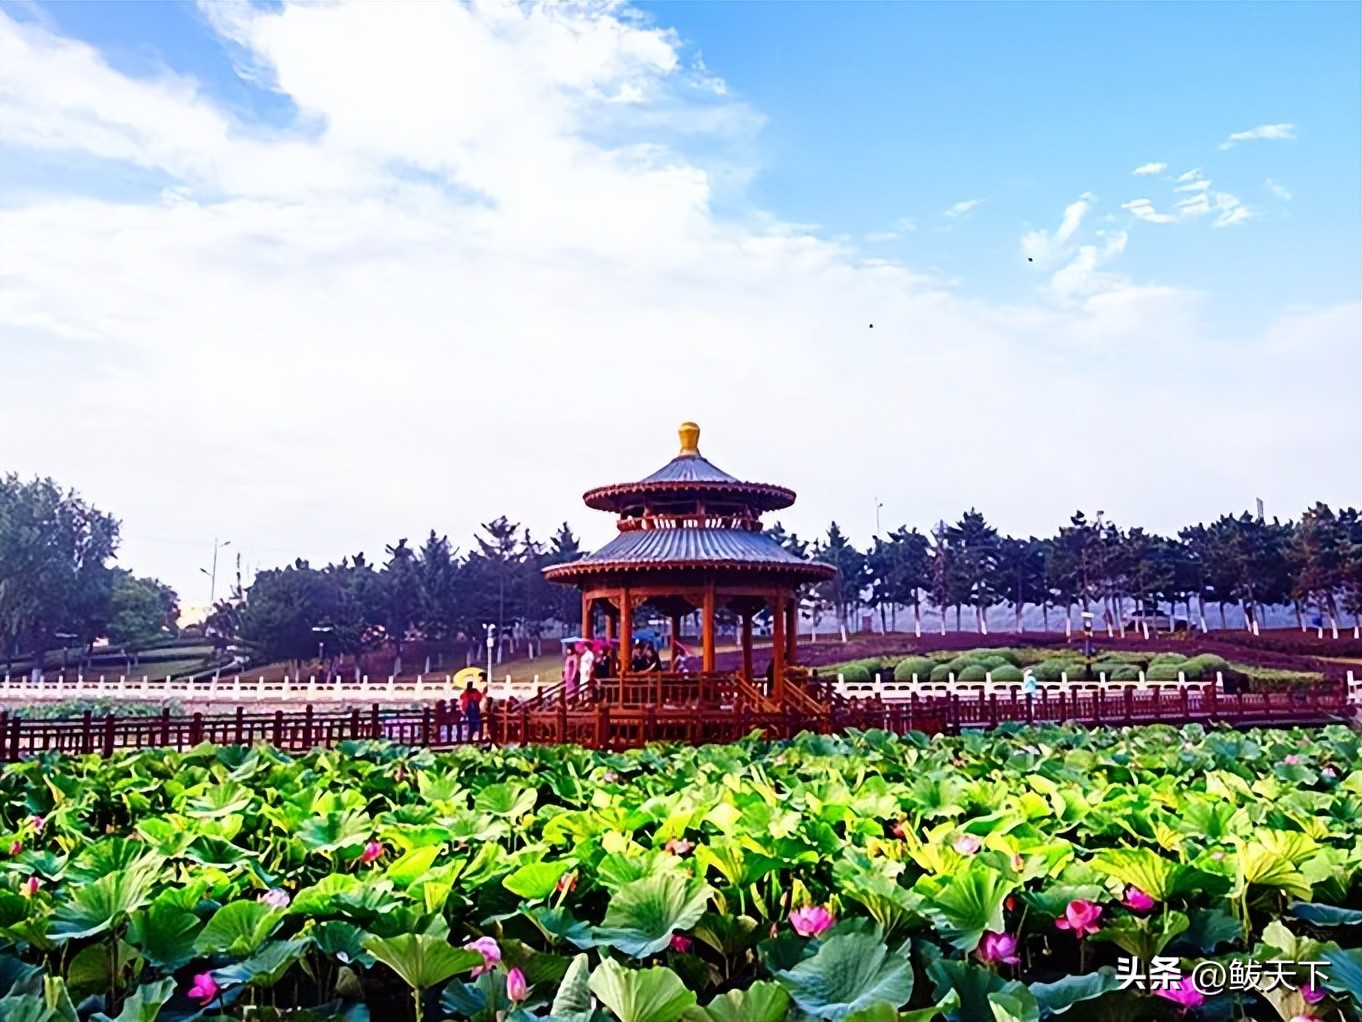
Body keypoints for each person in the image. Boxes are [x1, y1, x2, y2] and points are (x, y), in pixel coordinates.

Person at [459, 675, 484, 742]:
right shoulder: (471, 691)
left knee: (471, 722)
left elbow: (461, 697)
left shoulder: (469, 691)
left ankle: (473, 734)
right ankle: (472, 734)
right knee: (471, 722)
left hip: (472, 708)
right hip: (471, 708)